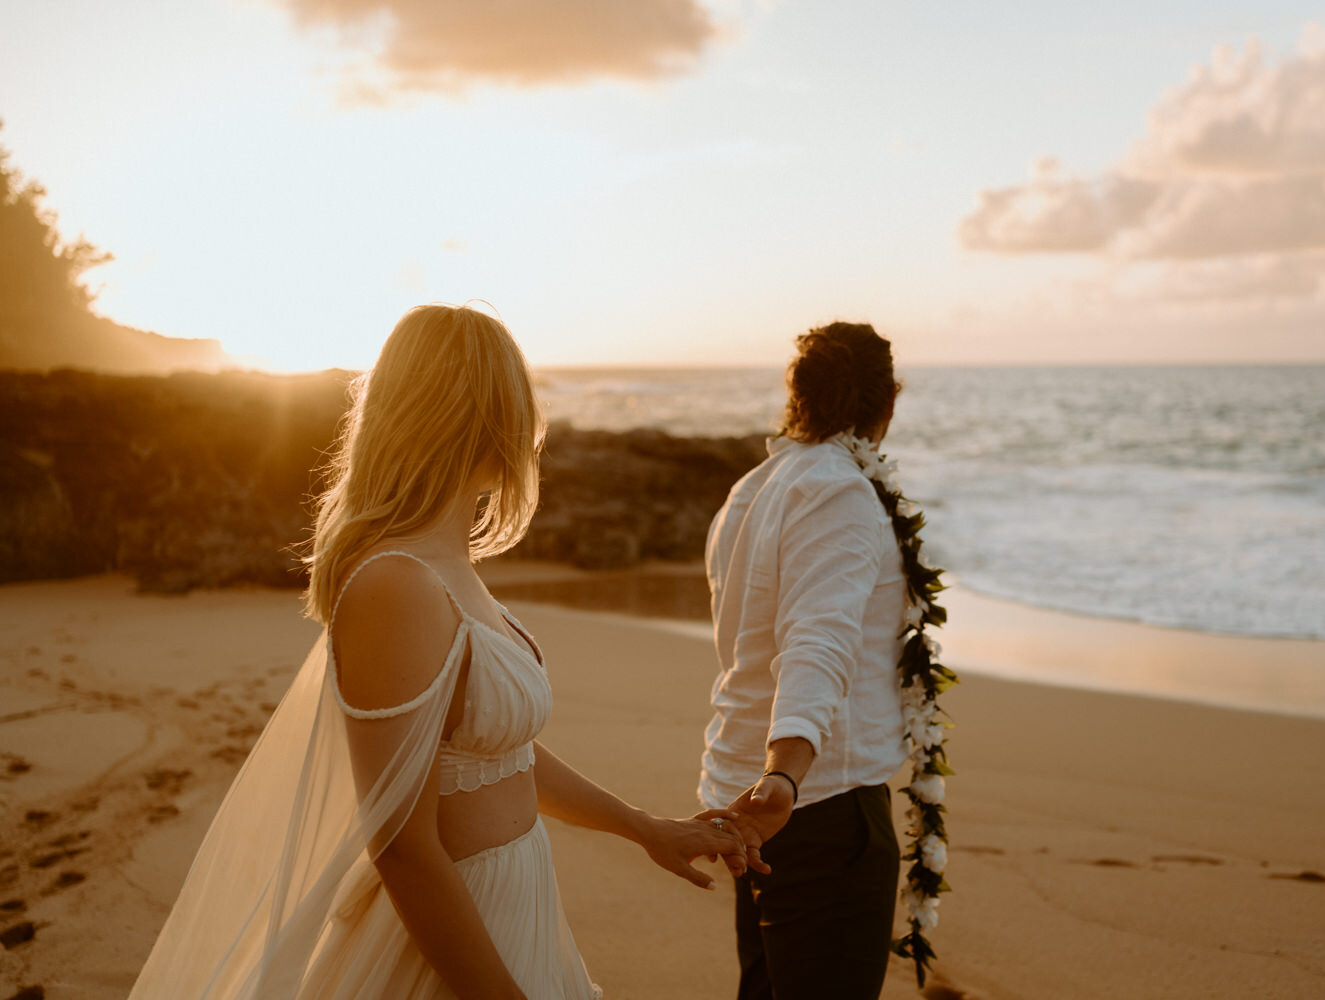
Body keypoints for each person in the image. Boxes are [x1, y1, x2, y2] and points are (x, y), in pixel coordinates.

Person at [129, 304, 745, 999]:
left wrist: (643, 828)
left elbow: (493, 754)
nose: (531, 434)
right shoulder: (395, 585)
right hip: (448, 947)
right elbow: (402, 846)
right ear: (483, 419)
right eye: (519, 409)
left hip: (518, 910)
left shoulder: (449, 566)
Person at [698, 322, 907, 1000]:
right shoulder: (839, 492)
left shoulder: (752, 489)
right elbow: (816, 640)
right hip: (816, 803)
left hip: (755, 801)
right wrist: (785, 773)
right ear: (888, 404)